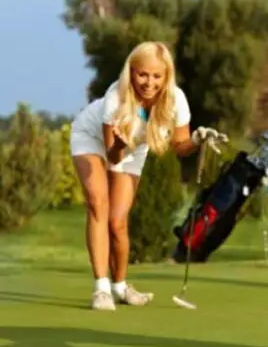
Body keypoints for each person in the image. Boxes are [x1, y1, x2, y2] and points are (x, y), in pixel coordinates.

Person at [69, 41, 227, 311]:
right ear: (131, 71)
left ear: (166, 76)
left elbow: (180, 147)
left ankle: (120, 286)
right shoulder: (116, 98)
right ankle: (102, 289)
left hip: (132, 149)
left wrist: (199, 139)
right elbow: (113, 156)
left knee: (117, 222)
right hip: (92, 141)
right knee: (98, 204)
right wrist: (118, 145)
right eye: (142, 74)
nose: (149, 82)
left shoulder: (176, 99)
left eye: (157, 76)